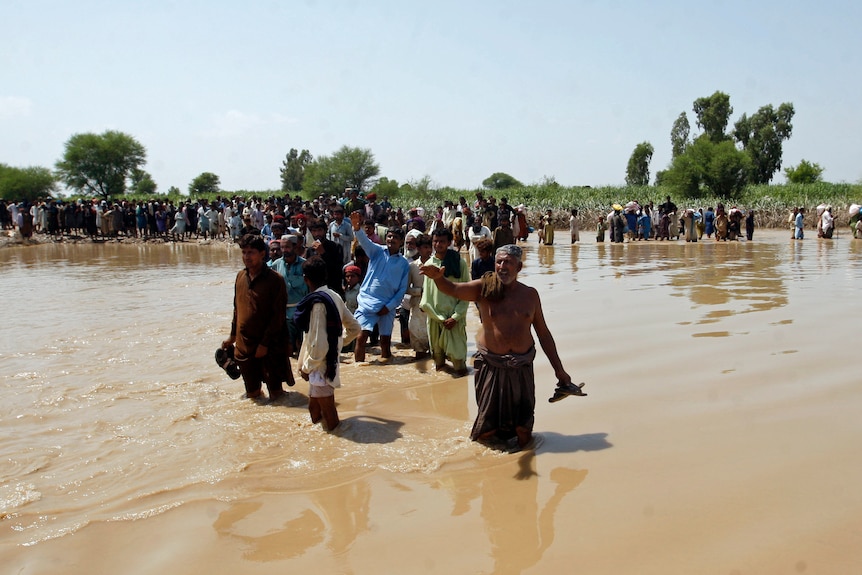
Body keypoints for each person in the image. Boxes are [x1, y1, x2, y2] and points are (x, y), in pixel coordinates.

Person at [420, 244, 578, 451]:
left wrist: (560, 371)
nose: (502, 267)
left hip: (521, 368)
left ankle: (523, 459)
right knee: (487, 430)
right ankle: (488, 468)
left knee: (524, 429)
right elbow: (454, 290)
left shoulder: (530, 295)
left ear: (519, 267)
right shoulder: (484, 289)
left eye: (508, 263)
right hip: (491, 367)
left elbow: (544, 334)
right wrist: (439, 279)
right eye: (499, 262)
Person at [295, 256, 361, 431]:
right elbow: (354, 327)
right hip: (327, 362)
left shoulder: (317, 304)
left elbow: (319, 345)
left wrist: (307, 368)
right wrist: (338, 343)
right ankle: (322, 444)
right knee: (314, 408)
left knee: (328, 411)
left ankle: (335, 445)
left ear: (305, 279)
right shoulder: (334, 296)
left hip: (320, 365)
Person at [222, 234, 289, 403]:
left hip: (269, 346)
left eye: (250, 252)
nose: (246, 257)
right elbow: (237, 309)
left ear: (262, 254)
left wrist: (264, 344)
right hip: (244, 345)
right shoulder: (240, 277)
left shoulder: (275, 280)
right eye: (244, 252)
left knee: (277, 395)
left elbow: (278, 316)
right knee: (252, 394)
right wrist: (232, 337)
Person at [350, 211, 410, 363]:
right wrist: (357, 228)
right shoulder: (376, 251)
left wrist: (389, 306)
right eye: (389, 236)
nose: (391, 239)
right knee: (361, 338)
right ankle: (358, 370)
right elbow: (364, 241)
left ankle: (386, 368)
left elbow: (401, 290)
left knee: (385, 342)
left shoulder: (404, 264)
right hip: (367, 301)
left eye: (395, 237)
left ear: (401, 241)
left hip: (387, 306)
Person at [420, 228, 470, 375]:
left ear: (449, 243)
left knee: (459, 360)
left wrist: (455, 317)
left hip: (454, 318)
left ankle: (461, 391)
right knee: (438, 359)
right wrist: (434, 314)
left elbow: (466, 292)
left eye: (442, 241)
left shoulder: (459, 263)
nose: (438, 244)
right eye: (435, 241)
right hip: (436, 318)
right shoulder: (429, 265)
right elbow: (427, 296)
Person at [405, 234, 432, 358]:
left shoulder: (437, 265)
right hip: (417, 306)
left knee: (434, 343)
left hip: (433, 306)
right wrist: (419, 291)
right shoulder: (412, 266)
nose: (428, 250)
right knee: (418, 342)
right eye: (425, 247)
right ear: (419, 248)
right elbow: (406, 288)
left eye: (429, 247)